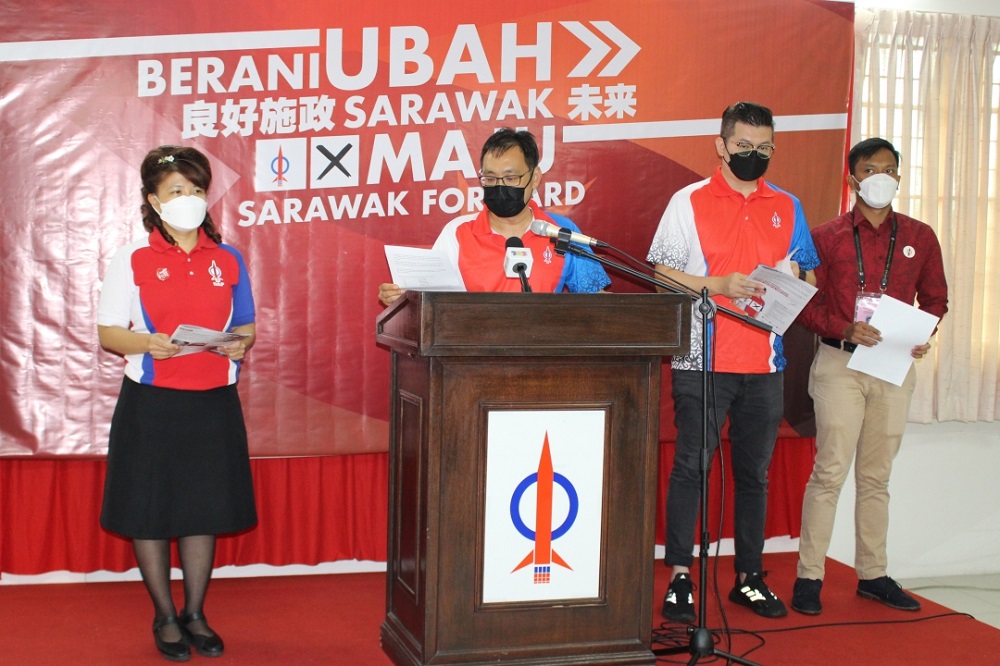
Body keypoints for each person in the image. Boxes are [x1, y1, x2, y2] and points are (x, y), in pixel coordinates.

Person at [647, 101, 819, 622]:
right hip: (702, 358)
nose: (754, 155)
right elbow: (661, 274)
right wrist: (717, 286)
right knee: (692, 469)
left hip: (765, 363)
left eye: (764, 147)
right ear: (721, 146)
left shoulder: (787, 205)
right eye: (743, 146)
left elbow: (809, 280)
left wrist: (792, 282)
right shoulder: (689, 201)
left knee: (754, 475)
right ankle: (681, 578)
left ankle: (749, 577)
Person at [97, 145, 258, 661]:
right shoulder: (133, 257)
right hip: (151, 403)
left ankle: (196, 613)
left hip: (212, 403)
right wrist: (148, 343)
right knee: (149, 509)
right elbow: (108, 333)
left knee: (202, 508)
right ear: (153, 200)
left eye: (195, 190)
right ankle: (165, 615)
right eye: (176, 191)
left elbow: (247, 324)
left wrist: (240, 341)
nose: (188, 199)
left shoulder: (228, 257)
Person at [791, 138, 948, 615]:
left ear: (899, 176)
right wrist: (843, 327)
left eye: (889, 169)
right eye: (870, 168)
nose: (881, 176)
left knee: (876, 477)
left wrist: (924, 334)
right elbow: (803, 302)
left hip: (893, 366)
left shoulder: (920, 235)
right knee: (830, 472)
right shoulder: (826, 235)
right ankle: (809, 578)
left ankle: (873, 575)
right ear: (853, 178)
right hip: (840, 363)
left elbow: (937, 299)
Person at [378, 128, 610, 305]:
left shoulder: (561, 231)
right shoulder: (457, 233)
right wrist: (401, 299)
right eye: (490, 179)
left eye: (510, 179)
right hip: (471, 360)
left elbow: (598, 303)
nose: (499, 186)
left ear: (535, 177)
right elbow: (431, 301)